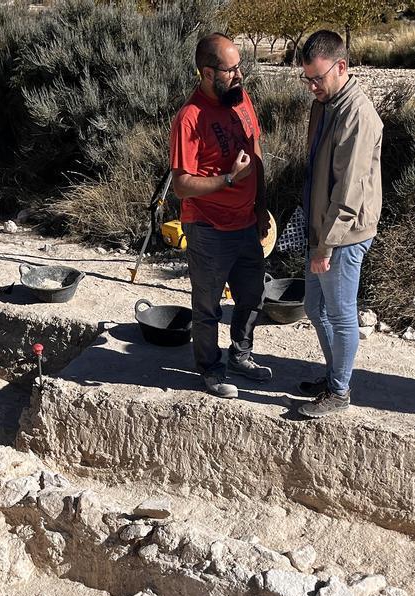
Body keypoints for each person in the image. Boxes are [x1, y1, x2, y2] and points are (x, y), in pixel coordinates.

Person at [169, 32, 271, 399]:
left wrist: (260, 207)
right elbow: (181, 186)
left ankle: (241, 356)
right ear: (207, 73)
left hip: (246, 224)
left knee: (253, 296)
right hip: (208, 228)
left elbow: (257, 154)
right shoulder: (190, 118)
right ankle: (211, 369)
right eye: (230, 70)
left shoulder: (242, 100)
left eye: (240, 66)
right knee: (208, 306)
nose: (239, 75)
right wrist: (229, 178)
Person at [294, 30, 383, 418]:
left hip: (343, 233)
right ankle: (335, 376)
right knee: (315, 306)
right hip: (322, 227)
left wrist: (325, 245)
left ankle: (339, 391)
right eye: (307, 79)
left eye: (318, 78)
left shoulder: (358, 115)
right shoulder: (326, 104)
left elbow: (347, 193)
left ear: (341, 67)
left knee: (341, 312)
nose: (312, 86)